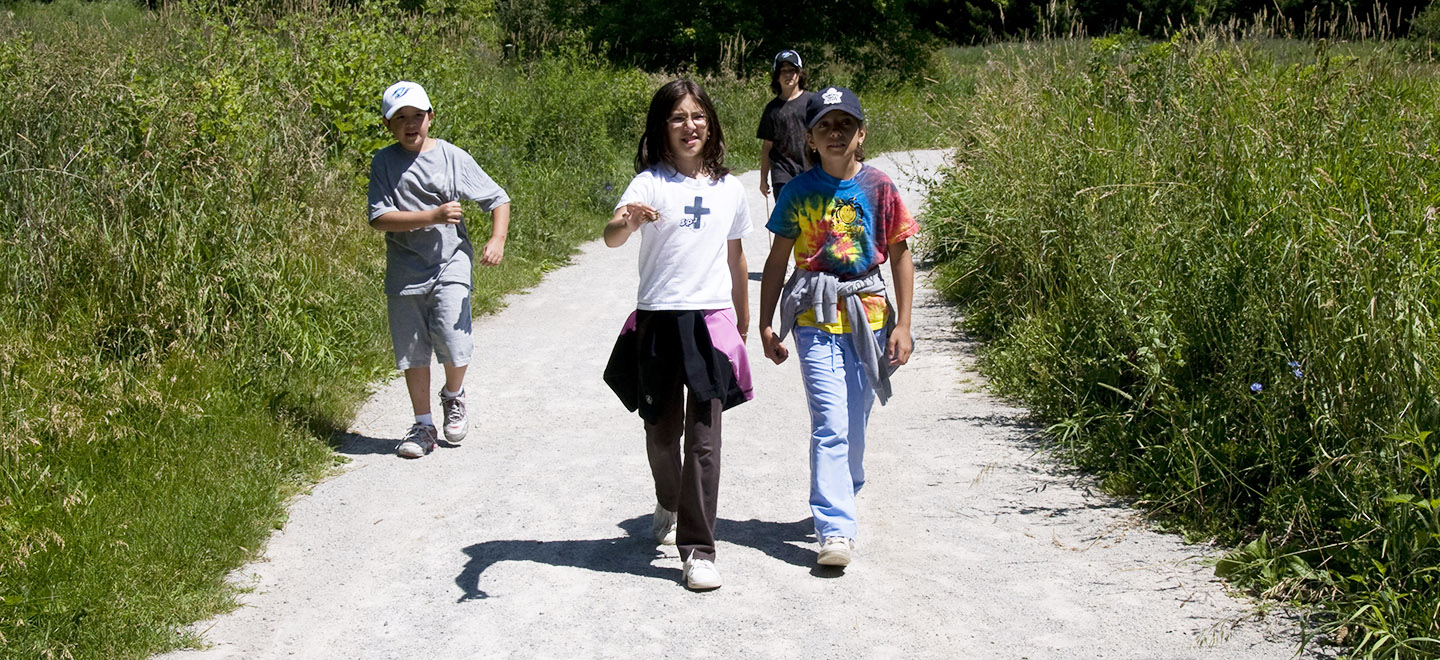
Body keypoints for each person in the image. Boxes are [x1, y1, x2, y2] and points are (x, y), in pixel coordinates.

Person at [602, 79, 753, 591]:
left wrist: (743, 313)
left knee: (705, 442)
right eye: (677, 118)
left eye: (698, 117)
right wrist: (628, 219)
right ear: (661, 130)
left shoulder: (730, 190)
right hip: (659, 320)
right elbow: (612, 234)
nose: (690, 126)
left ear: (710, 124)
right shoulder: (650, 184)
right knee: (662, 433)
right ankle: (668, 499)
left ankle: (699, 550)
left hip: (709, 321)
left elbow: (736, 255)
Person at [757, 86, 917, 569]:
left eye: (844, 125)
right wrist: (766, 324)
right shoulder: (800, 192)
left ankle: (846, 486)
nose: (834, 133)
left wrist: (904, 324)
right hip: (815, 314)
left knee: (855, 419)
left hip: (868, 315)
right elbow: (777, 260)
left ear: (861, 134)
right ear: (810, 138)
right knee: (829, 422)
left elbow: (902, 254)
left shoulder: (880, 188)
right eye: (825, 125)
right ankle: (835, 529)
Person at [367, 80, 512, 459]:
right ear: (388, 124)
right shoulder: (383, 162)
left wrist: (497, 239)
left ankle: (453, 394)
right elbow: (379, 218)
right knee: (412, 349)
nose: (410, 124)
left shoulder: (451, 157)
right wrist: (432, 215)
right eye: (401, 118)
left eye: (418, 115)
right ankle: (423, 425)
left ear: (431, 117)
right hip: (404, 269)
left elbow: (498, 198)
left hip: (451, 262)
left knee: (451, 334)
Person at [756, 49, 814, 202]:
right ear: (777, 77)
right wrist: (763, 178)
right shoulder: (772, 109)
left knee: (812, 220)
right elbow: (767, 146)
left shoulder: (812, 102)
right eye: (783, 71)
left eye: (792, 70)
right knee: (787, 222)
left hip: (811, 171)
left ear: (799, 73)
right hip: (782, 174)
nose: (788, 75)